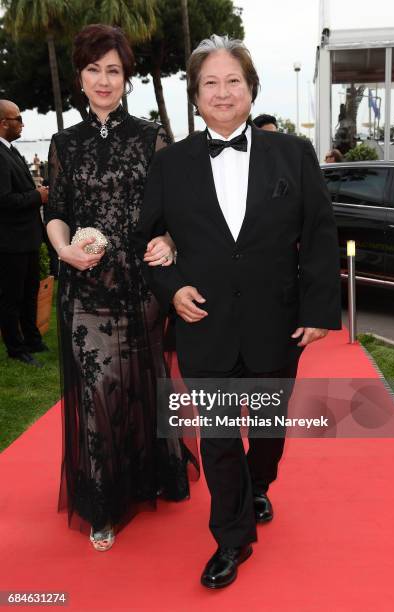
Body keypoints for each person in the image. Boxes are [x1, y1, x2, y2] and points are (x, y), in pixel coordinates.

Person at [135, 34, 341, 588]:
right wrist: (170, 286)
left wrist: (320, 308)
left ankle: (260, 483)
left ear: (251, 88)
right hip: (205, 323)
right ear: (195, 96)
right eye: (210, 83)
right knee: (220, 434)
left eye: (233, 81)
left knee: (268, 430)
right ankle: (232, 536)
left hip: (277, 322)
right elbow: (151, 240)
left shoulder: (292, 154)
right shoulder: (171, 164)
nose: (222, 92)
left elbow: (320, 235)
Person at [45, 24, 197, 552]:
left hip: (141, 284)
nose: (104, 80)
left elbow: (175, 210)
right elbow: (57, 213)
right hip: (85, 287)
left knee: (143, 383)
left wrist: (170, 243)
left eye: (113, 69)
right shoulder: (64, 143)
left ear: (126, 77)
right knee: (98, 391)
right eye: (93, 69)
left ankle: (151, 474)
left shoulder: (151, 136)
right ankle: (103, 502)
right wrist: (63, 249)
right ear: (80, 78)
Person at [0, 99, 49, 367]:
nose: (22, 123)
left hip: (27, 237)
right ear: (3, 123)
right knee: (12, 298)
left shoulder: (11, 150)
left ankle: (32, 339)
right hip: (10, 241)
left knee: (30, 292)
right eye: (17, 118)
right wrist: (37, 196)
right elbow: (4, 200)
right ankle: (15, 348)